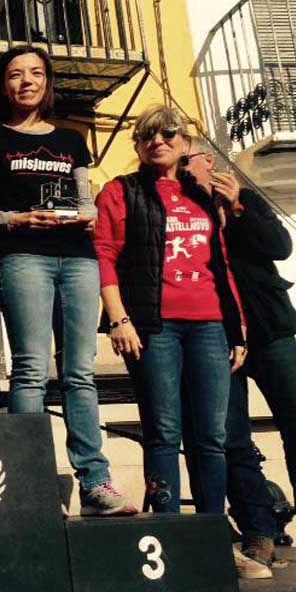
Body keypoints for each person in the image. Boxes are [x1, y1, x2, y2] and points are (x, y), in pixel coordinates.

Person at [0, 45, 136, 516]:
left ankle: (96, 484)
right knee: (31, 371)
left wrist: (87, 215)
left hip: (78, 261)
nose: (26, 82)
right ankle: (32, 484)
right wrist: (15, 219)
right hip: (24, 259)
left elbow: (87, 202)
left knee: (80, 374)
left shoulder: (72, 140)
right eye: (15, 75)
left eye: (36, 73)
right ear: (4, 86)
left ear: (47, 82)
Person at [94, 105, 246, 518]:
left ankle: (211, 527)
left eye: (168, 134)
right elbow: (104, 256)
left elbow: (221, 264)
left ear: (186, 143)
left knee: (211, 436)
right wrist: (119, 319)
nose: (157, 141)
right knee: (163, 433)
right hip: (154, 327)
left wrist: (237, 327)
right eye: (147, 135)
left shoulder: (202, 196)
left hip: (210, 325)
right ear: (138, 147)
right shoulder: (120, 191)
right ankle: (169, 529)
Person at [181, 137, 296, 577]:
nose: (182, 169)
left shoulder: (244, 198)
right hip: (218, 336)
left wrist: (239, 210)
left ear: (209, 161)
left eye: (187, 160)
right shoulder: (180, 208)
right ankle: (258, 532)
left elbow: (279, 247)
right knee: (232, 439)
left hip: (270, 330)